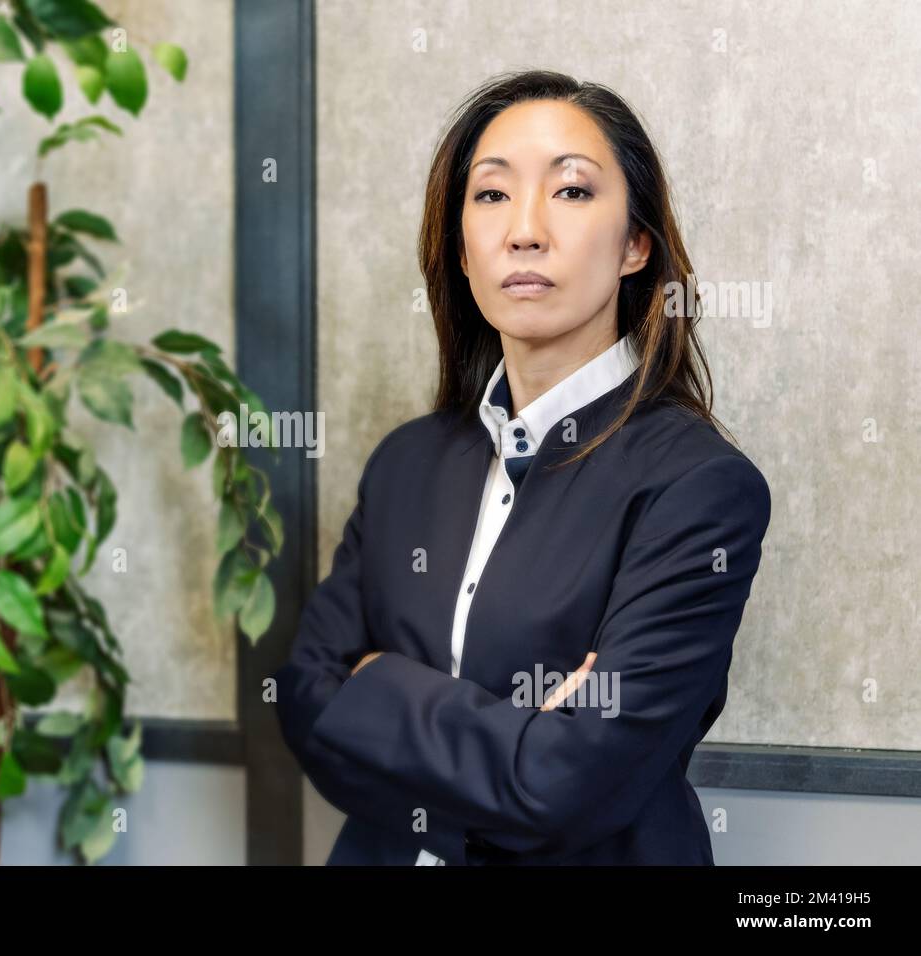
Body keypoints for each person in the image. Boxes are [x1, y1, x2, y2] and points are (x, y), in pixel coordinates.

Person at [273, 69, 772, 865]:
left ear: (636, 244)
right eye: (492, 195)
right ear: (461, 253)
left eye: (572, 193)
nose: (525, 230)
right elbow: (305, 700)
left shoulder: (698, 486)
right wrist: (521, 735)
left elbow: (567, 784)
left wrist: (372, 685)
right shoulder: (405, 462)